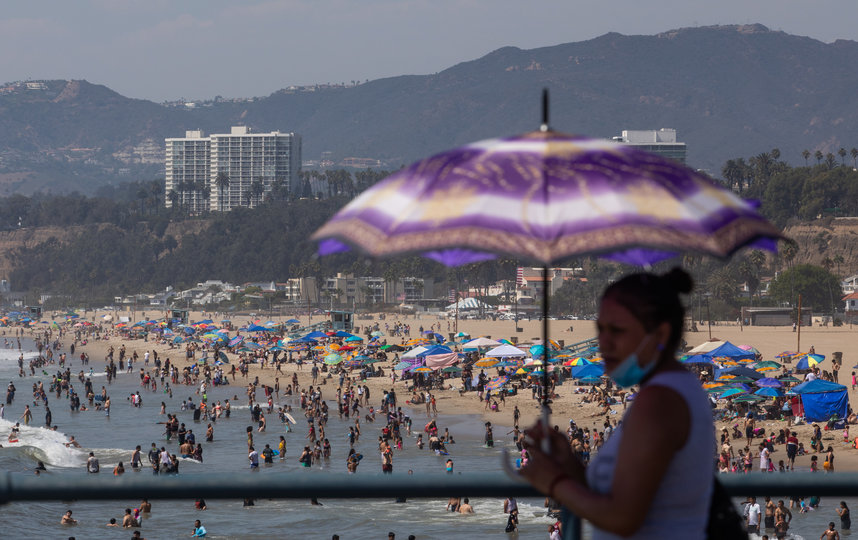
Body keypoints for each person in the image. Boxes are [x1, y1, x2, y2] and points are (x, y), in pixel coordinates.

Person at [519, 269, 714, 538]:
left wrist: (556, 483)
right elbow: (629, 493)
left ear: (660, 334)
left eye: (617, 330)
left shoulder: (659, 402)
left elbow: (624, 518)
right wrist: (570, 462)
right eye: (600, 329)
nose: (603, 343)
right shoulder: (672, 388)